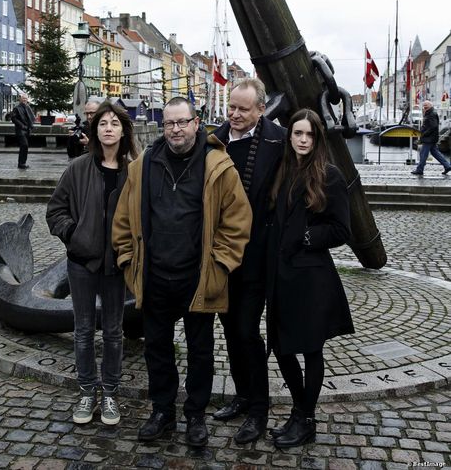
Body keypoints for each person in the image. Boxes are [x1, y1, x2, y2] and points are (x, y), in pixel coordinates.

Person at [112, 96, 252, 447]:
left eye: (182, 122)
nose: (175, 129)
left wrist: (220, 265)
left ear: (196, 123)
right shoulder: (143, 165)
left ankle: (195, 416)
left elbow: (237, 222)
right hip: (155, 277)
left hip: (198, 277)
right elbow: (124, 220)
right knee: (156, 349)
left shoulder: (218, 165)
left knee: (200, 352)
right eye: (169, 124)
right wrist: (129, 261)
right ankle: (162, 411)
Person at [267, 108, 354, 449]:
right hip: (281, 276)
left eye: (309, 135)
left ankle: (305, 418)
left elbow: (341, 229)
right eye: (297, 133)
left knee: (311, 350)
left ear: (316, 139)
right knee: (281, 347)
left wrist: (306, 237)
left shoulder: (329, 175)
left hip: (311, 279)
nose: (303, 140)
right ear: (289, 137)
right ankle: (301, 411)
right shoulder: (283, 171)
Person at [46, 101, 137, 426]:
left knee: (113, 332)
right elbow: (56, 210)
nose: (109, 128)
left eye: (114, 123)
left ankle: (110, 394)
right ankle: (87, 391)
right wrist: (75, 236)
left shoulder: (133, 172)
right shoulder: (78, 168)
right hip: (82, 264)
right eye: (103, 123)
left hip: (116, 267)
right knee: (84, 330)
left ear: (123, 129)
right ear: (95, 129)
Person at [212, 78, 285, 443]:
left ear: (261, 109)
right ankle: (242, 396)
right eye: (232, 107)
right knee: (229, 330)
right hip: (222, 256)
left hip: (257, 255)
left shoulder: (278, 141)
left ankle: (259, 409)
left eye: (243, 108)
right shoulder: (214, 140)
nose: (235, 114)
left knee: (245, 330)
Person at [411, 100, 451, 176]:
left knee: (423, 154)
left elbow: (433, 126)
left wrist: (425, 133)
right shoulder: (429, 113)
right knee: (435, 153)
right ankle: (447, 166)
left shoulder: (431, 114)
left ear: (430, 106)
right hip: (431, 138)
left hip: (429, 138)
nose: (424, 107)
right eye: (424, 106)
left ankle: (419, 169)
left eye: (426, 105)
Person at [11, 94, 35, 169]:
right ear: (20, 99)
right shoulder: (16, 108)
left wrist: (31, 126)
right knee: (24, 145)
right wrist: (21, 126)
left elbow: (31, 118)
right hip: (20, 130)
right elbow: (13, 118)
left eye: (26, 98)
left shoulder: (28, 107)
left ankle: (22, 163)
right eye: (23, 98)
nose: (24, 100)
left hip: (27, 130)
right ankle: (21, 164)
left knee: (24, 147)